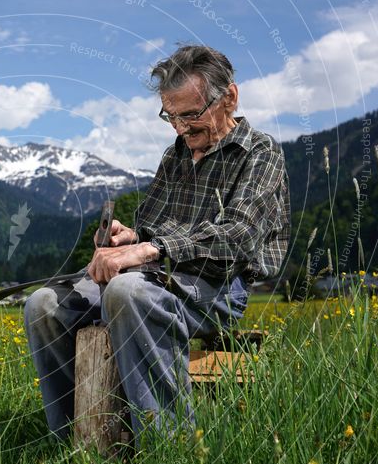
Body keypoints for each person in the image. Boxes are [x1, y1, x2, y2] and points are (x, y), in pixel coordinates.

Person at [24, 45, 290, 443]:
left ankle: (168, 445)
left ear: (229, 98)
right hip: (158, 274)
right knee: (43, 305)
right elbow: (154, 230)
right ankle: (76, 442)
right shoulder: (177, 154)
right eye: (171, 116)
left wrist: (150, 249)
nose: (181, 128)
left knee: (129, 290)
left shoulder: (260, 153)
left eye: (191, 114)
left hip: (218, 285)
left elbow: (239, 235)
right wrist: (131, 237)